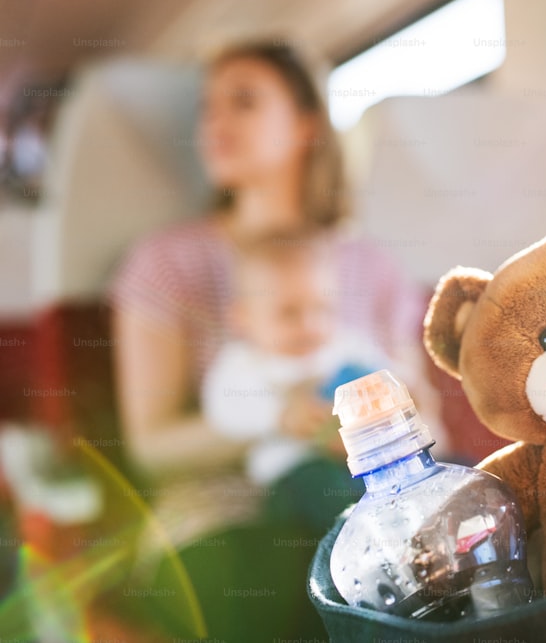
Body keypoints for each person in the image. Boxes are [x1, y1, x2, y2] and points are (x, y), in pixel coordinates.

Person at [110, 39, 448, 550]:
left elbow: (426, 413)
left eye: (243, 102)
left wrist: (384, 423)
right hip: (229, 514)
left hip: (375, 488)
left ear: (306, 126)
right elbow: (151, 446)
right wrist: (281, 420)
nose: (213, 124)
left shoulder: (374, 267)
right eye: (208, 108)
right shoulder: (165, 264)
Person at [201, 229, 398, 532]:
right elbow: (224, 409)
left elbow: (386, 377)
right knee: (319, 493)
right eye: (288, 313)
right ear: (243, 318)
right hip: (293, 470)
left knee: (422, 470)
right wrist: (279, 416)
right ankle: (348, 552)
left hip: (365, 458)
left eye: (322, 309)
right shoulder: (243, 362)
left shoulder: (345, 345)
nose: (309, 325)